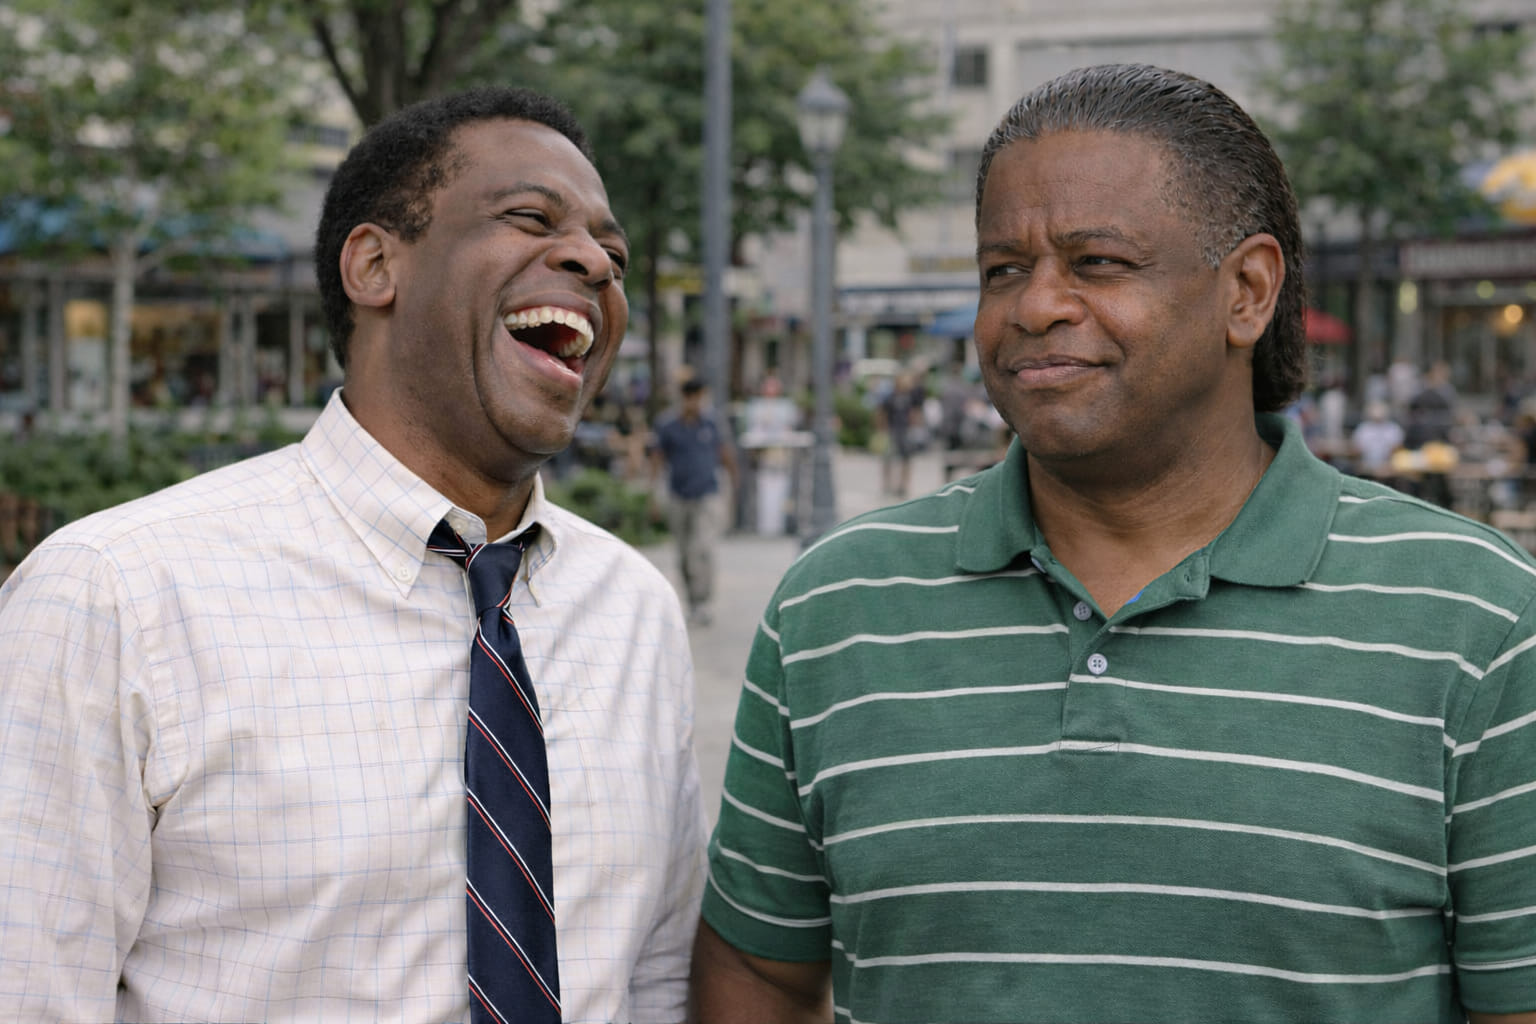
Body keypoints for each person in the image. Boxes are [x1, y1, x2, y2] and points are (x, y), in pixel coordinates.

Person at [690, 64, 1536, 1024]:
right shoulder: (834, 610)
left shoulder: (1482, 620)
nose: (1035, 305)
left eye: (1096, 262)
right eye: (1003, 268)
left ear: (1248, 292)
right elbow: (758, 971)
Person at [0, 87, 707, 1022]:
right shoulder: (116, 594)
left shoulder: (635, 609)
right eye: (531, 219)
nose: (592, 262)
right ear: (376, 265)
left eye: (612, 257)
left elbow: (655, 983)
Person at [650, 375, 740, 624]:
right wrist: (653, 496)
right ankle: (691, 601)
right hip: (679, 496)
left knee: (702, 549)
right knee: (683, 554)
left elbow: (725, 454)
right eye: (692, 397)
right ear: (684, 397)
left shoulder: (712, 423)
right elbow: (657, 459)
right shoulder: (667, 425)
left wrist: (734, 487)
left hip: (707, 494)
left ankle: (703, 601)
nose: (696, 402)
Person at [876, 368, 928, 496]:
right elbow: (882, 413)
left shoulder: (910, 396)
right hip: (893, 431)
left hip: (906, 431)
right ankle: (887, 485)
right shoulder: (891, 397)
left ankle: (903, 485)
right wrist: (882, 429)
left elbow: (915, 413)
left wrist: (916, 426)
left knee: (906, 459)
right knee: (888, 458)